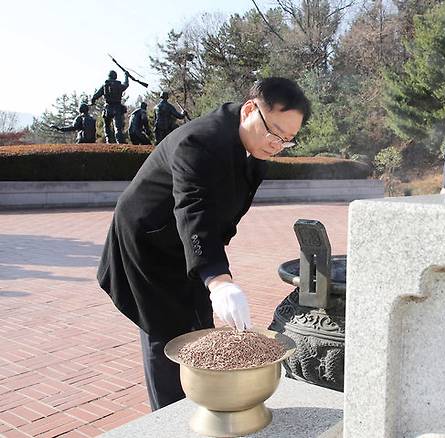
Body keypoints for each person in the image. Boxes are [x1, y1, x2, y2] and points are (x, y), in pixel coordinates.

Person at [96, 77, 310, 411]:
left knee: (198, 319)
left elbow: (219, 216)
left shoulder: (255, 148)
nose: (276, 144)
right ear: (251, 109)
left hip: (188, 244)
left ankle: (202, 403)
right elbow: (193, 209)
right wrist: (219, 279)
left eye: (287, 140)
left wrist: (212, 277)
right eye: (274, 132)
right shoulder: (198, 141)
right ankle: (168, 418)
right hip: (148, 243)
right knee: (166, 332)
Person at [91, 70, 129, 143]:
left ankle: (108, 142)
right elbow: (126, 84)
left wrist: (93, 101)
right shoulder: (119, 85)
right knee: (118, 128)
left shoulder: (105, 85)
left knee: (107, 126)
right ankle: (120, 143)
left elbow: (95, 95)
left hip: (108, 109)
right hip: (117, 108)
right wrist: (126, 76)